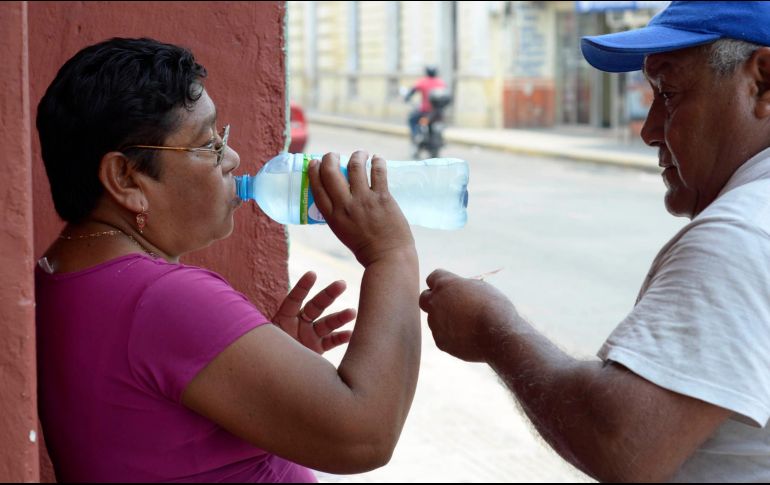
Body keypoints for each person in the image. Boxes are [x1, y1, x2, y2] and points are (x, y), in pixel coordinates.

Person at [35, 37, 420, 482]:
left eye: (223, 138)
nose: (232, 158)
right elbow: (365, 435)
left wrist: (246, 372)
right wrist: (391, 255)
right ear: (125, 178)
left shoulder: (59, 274)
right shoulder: (161, 298)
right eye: (208, 145)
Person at [419, 2, 770, 482]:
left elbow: (622, 444)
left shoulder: (739, 235)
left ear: (763, 82)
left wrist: (492, 331)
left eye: (668, 94)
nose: (649, 131)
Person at [404, 65, 447, 146]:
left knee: (412, 119)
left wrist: (407, 97)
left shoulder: (423, 81)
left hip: (425, 111)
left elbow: (412, 91)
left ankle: (416, 135)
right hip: (438, 112)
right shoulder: (441, 82)